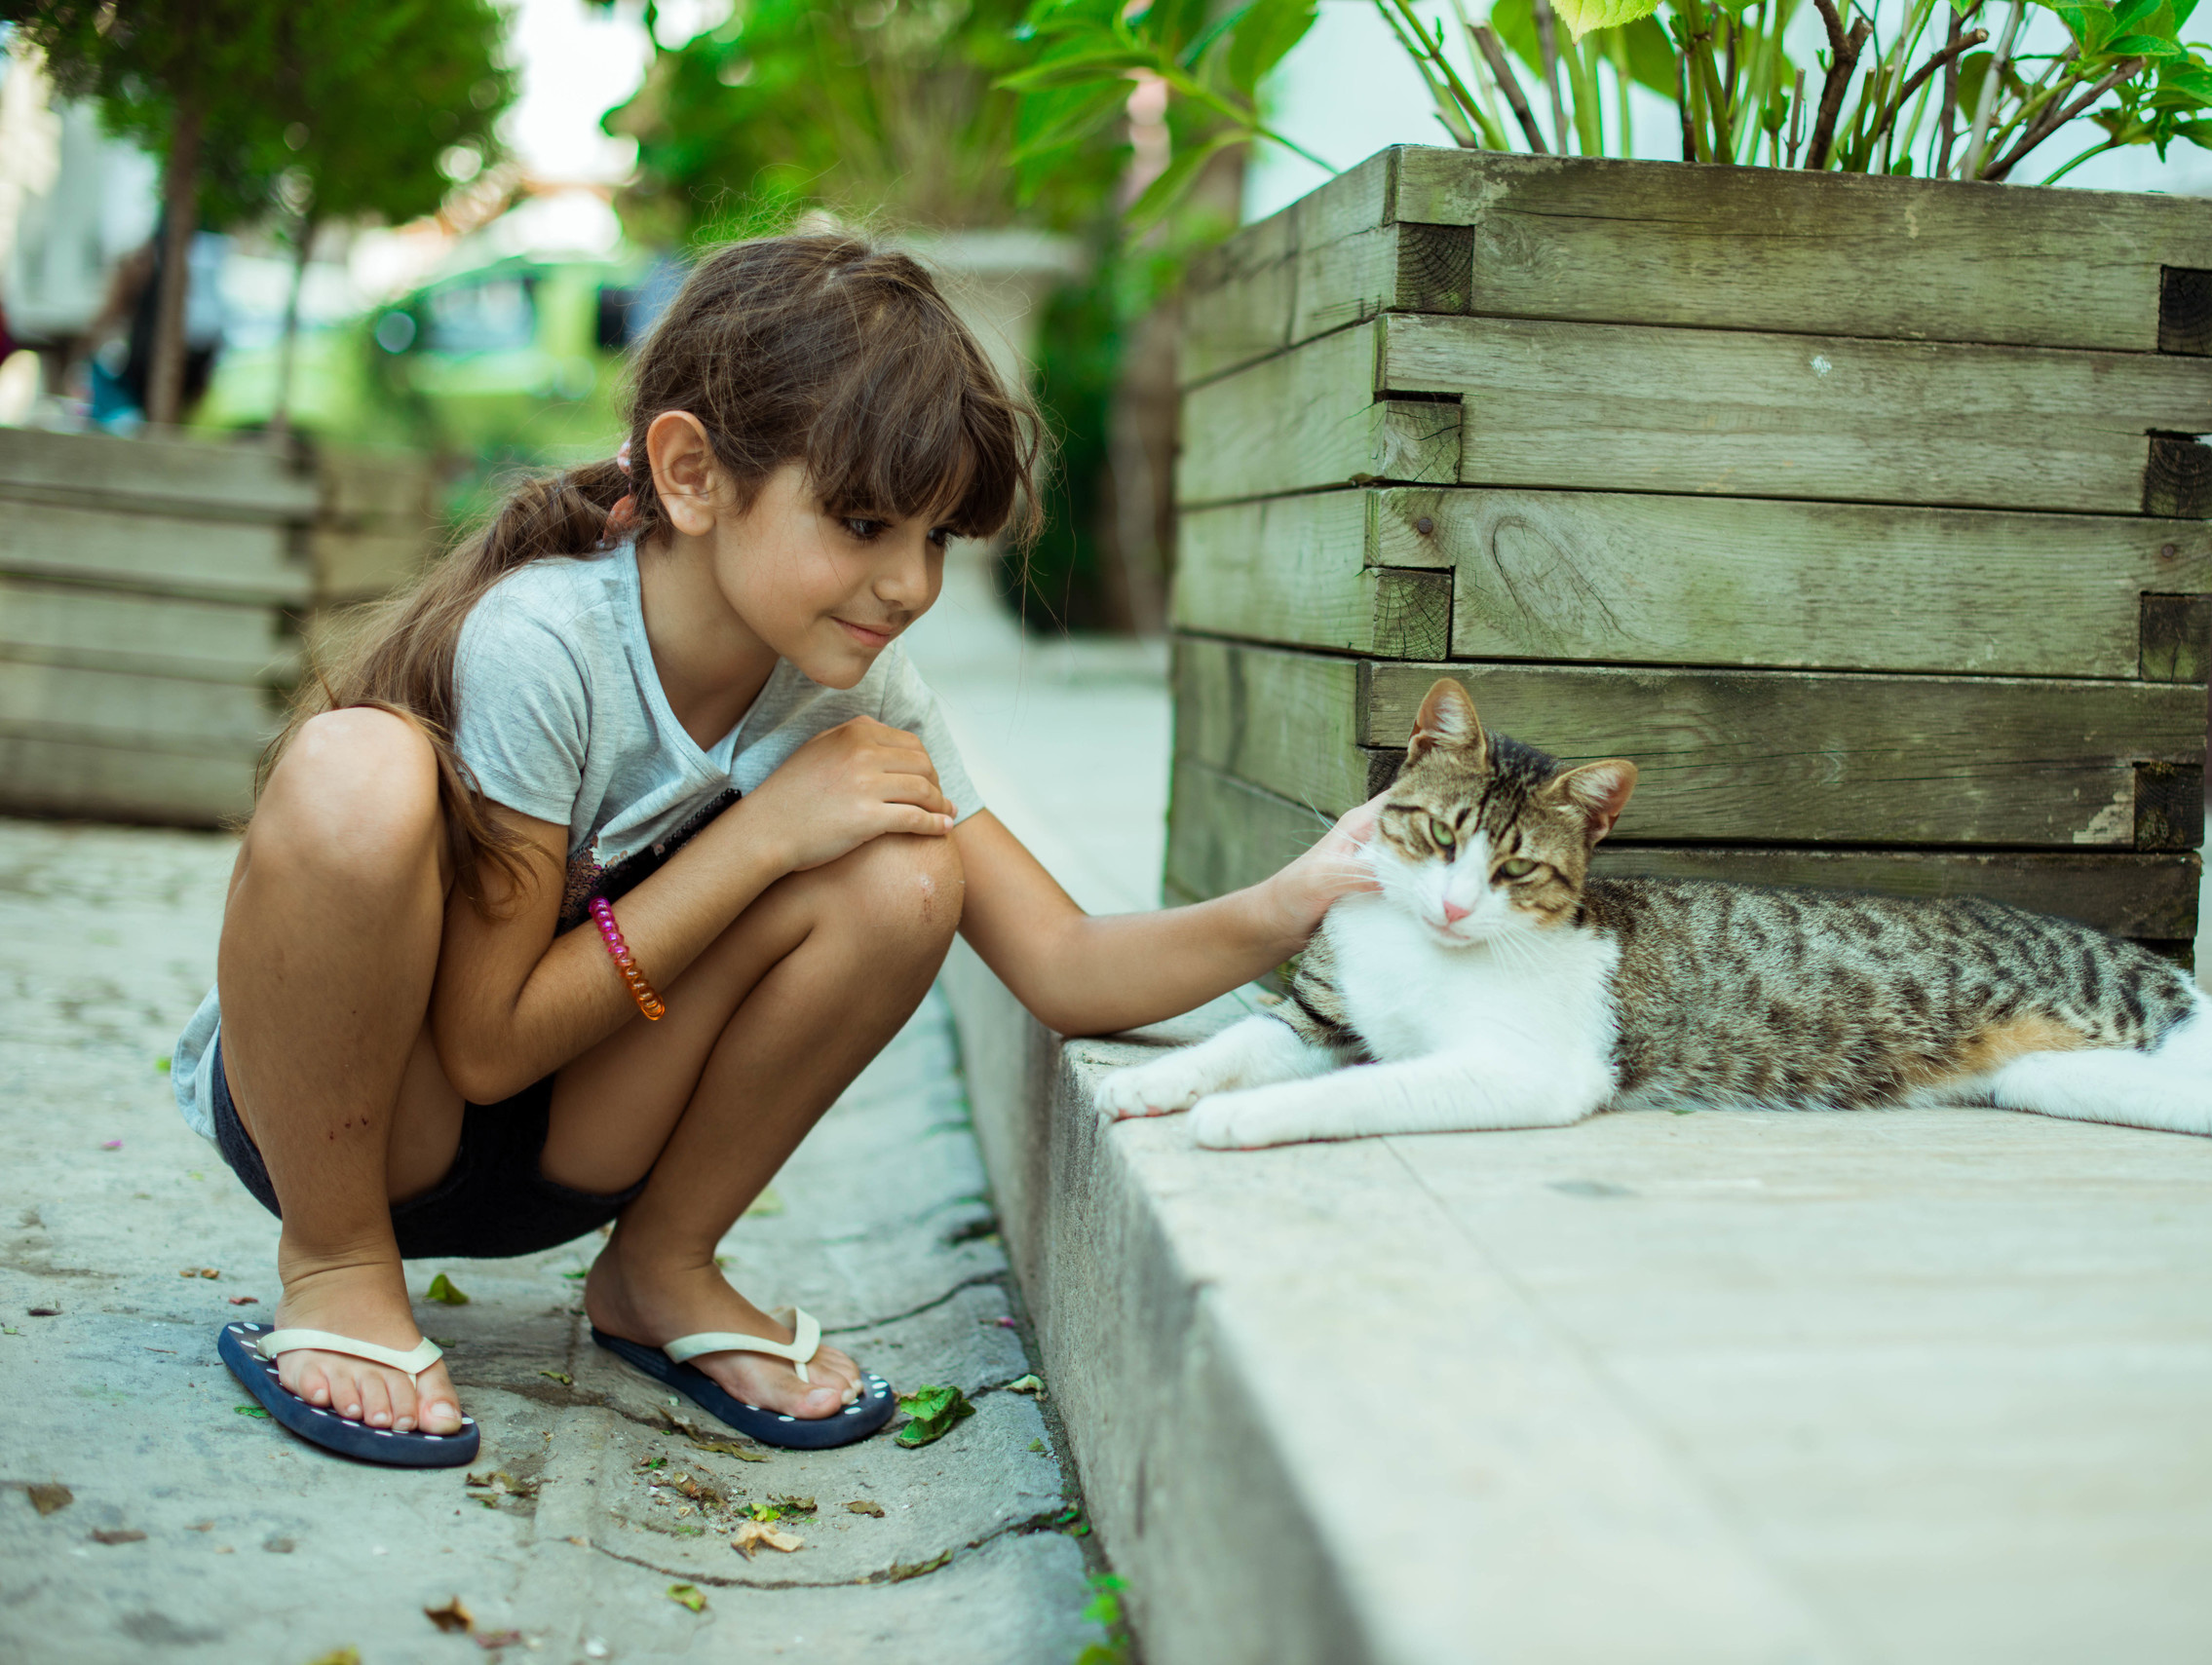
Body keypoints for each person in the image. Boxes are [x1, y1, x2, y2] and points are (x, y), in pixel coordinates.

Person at [174, 232, 1378, 1464]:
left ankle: (661, 1266)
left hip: (574, 1145)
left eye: (935, 538)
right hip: (363, 1120)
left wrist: (1296, 899)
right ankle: (335, 1269)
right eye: (862, 521)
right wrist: (761, 835)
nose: (907, 582)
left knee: (910, 869)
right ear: (692, 474)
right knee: (350, 767)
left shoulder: (856, 688)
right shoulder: (543, 642)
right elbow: (483, 1045)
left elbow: (1062, 958)